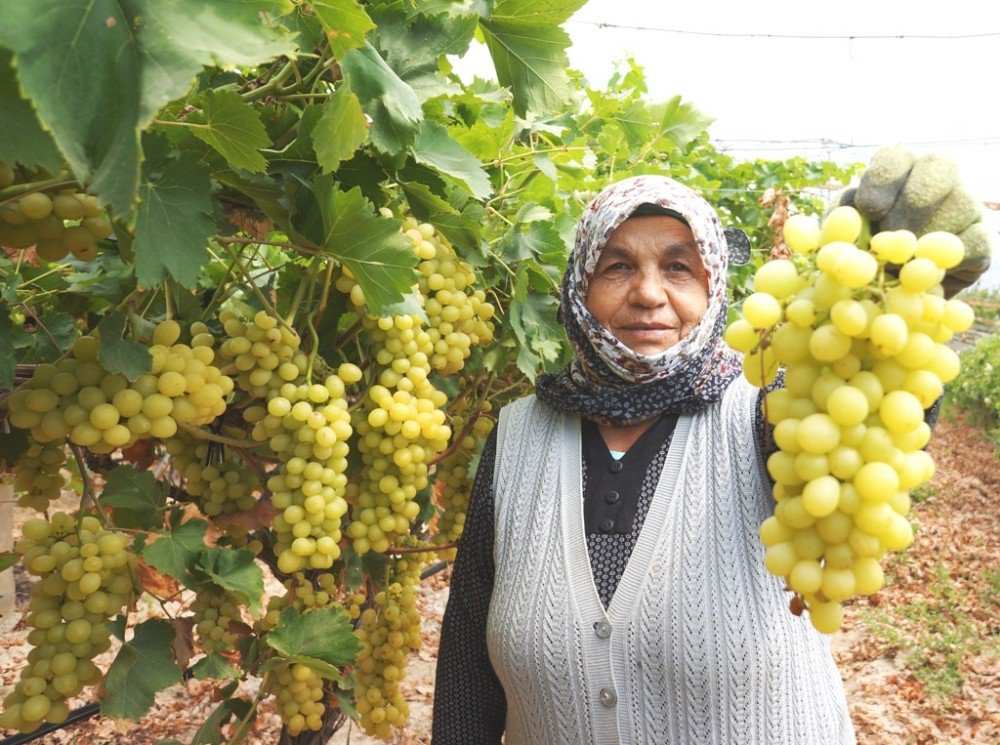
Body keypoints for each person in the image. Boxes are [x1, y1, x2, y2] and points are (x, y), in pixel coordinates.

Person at [431, 175, 858, 744]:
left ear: (715, 289)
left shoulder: (767, 413)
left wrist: (884, 297)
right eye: (617, 267)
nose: (649, 294)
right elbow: (468, 659)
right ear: (578, 288)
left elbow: (854, 439)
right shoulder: (516, 435)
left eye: (679, 267)